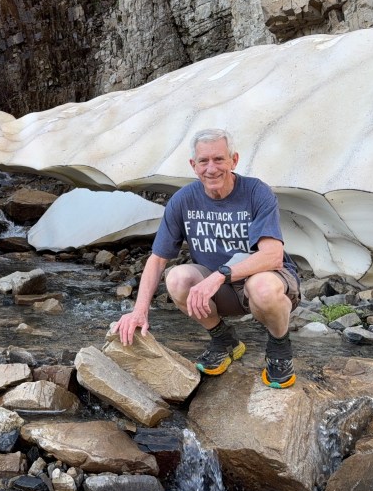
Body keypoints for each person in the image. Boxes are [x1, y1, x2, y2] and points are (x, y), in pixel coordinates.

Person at [110, 128, 301, 388]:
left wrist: (220, 275)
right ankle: (224, 340)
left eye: (219, 159)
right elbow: (157, 260)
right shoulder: (184, 200)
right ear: (193, 165)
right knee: (177, 278)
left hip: (264, 284)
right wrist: (139, 311)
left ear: (234, 160)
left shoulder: (256, 192)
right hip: (219, 289)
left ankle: (279, 346)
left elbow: (273, 256)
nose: (211, 169)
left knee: (262, 286)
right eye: (204, 161)